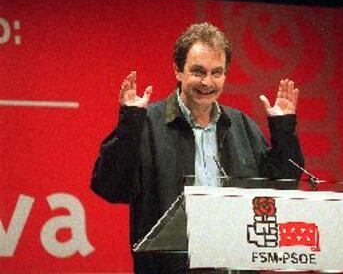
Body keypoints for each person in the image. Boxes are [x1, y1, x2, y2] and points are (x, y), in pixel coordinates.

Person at [91, 22, 304, 273]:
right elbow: (110, 187)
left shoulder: (242, 126)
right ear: (178, 71)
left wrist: (283, 130)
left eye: (217, 72)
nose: (207, 82)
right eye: (198, 71)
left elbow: (283, 185)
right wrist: (129, 125)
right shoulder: (147, 124)